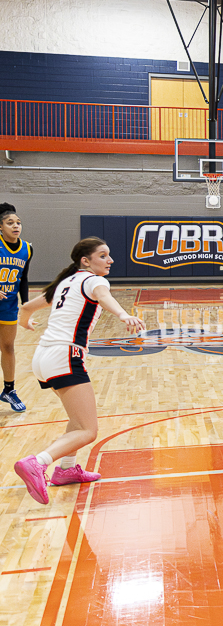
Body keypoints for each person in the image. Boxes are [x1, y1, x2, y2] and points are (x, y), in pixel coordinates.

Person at [12, 238, 145, 504]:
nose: (110, 260)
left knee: (78, 419)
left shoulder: (65, 282)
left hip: (43, 357)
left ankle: (67, 470)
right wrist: (123, 315)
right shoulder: (94, 281)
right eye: (103, 255)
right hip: (64, 355)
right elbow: (104, 296)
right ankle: (38, 462)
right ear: (86, 261)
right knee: (88, 430)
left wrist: (25, 323)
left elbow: (25, 308)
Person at [0, 204, 31, 412]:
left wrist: (26, 305)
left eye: (18, 222)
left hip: (9, 305)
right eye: (10, 223)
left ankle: (9, 391)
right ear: (0, 227)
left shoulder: (27, 248)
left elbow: (24, 279)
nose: (16, 226)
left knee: (8, 347)